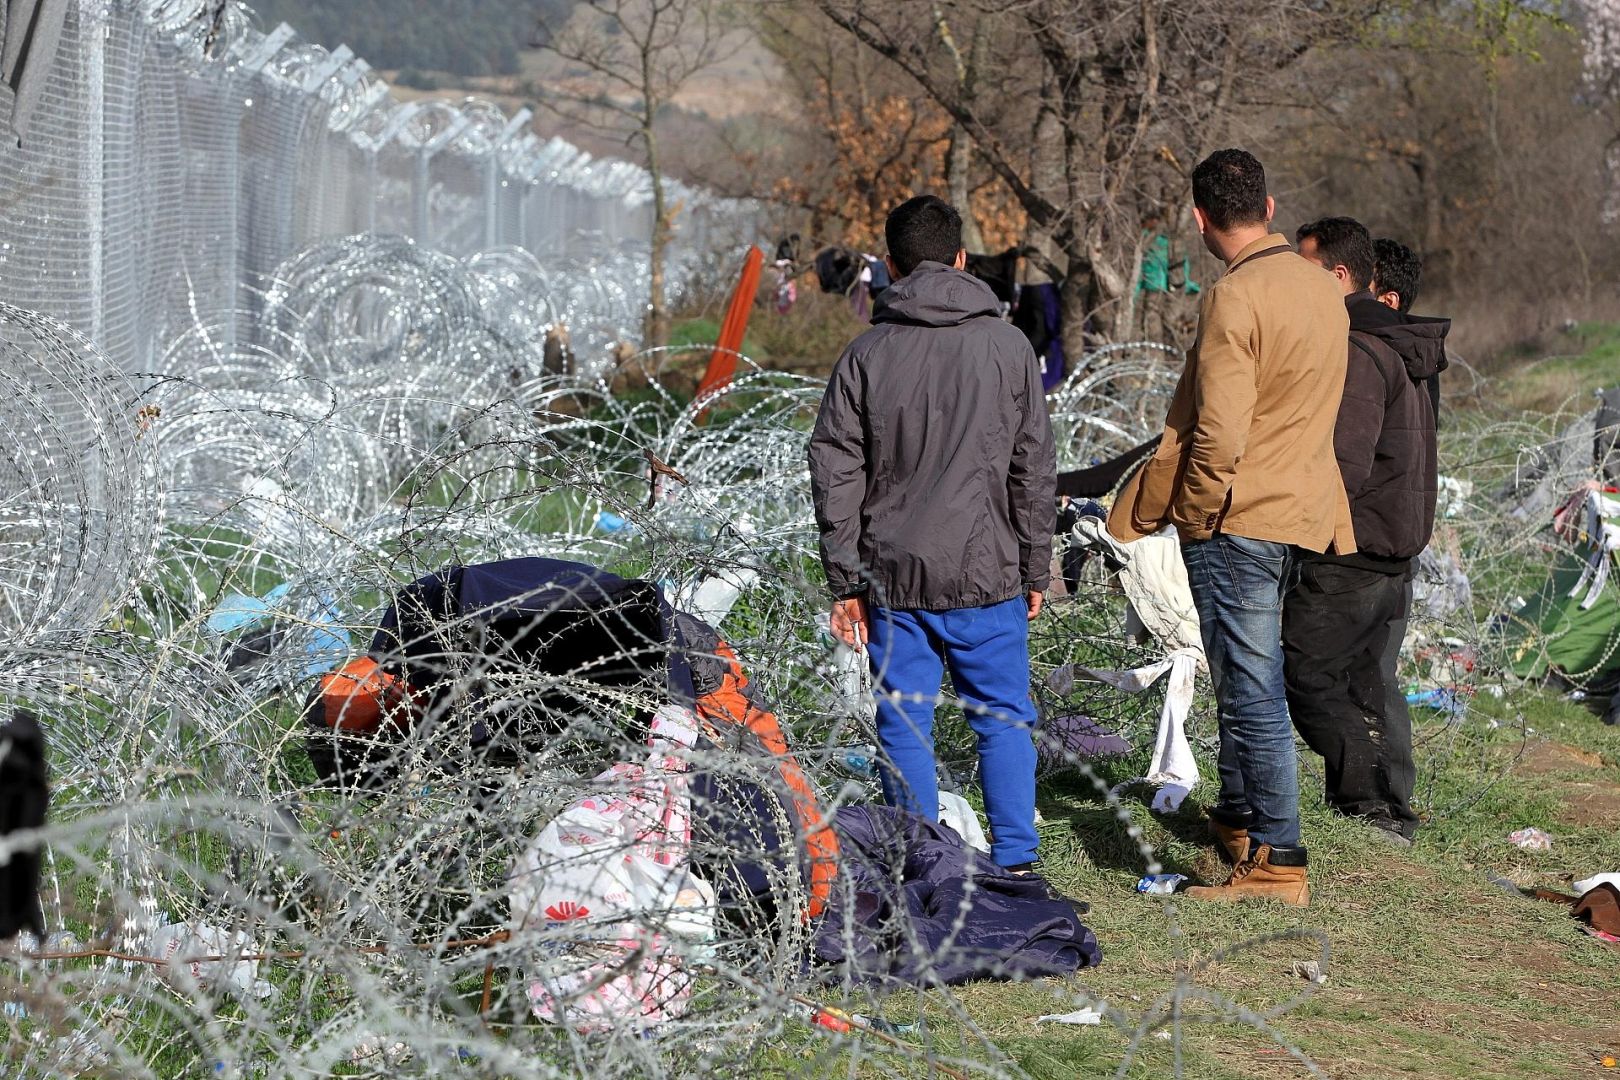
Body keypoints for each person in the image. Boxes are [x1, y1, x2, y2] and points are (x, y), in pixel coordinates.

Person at [1107, 150, 1354, 906]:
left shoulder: (1233, 296)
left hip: (1237, 514)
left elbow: (1218, 429)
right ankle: (1243, 821)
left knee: (1250, 689)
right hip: (1302, 510)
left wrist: (1199, 511)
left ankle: (1278, 861)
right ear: (1271, 207)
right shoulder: (1324, 290)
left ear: (1199, 218)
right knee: (1250, 675)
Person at [808, 194, 1056, 872]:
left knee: (904, 724)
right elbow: (1033, 467)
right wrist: (1038, 567)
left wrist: (846, 579)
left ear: (889, 266)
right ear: (962, 260)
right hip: (989, 572)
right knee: (1002, 719)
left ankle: (921, 864)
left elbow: (835, 469)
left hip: (896, 580)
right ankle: (1016, 864)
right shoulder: (1009, 347)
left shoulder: (867, 354)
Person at [1290, 217, 1451, 845]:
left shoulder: (1361, 351)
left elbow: (1344, 463)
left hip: (1352, 545)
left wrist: (1300, 528)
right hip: (1396, 541)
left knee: (1303, 671)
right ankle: (1386, 810)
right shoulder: (1409, 350)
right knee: (1366, 680)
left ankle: (1367, 800)